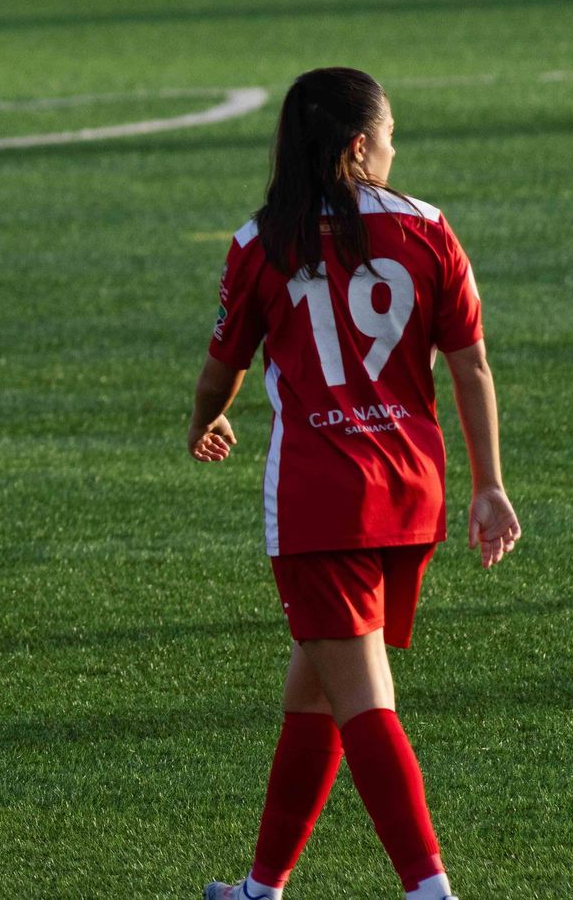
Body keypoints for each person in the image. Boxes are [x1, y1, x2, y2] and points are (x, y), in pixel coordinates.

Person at [188, 68, 521, 900]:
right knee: (315, 691)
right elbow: (472, 365)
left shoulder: (261, 242)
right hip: (411, 492)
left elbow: (222, 366)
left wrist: (204, 420)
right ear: (361, 144)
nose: (395, 150)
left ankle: (430, 890)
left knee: (364, 698)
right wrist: (488, 484)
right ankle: (262, 888)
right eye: (392, 135)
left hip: (321, 501)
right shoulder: (428, 227)